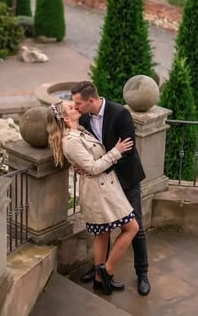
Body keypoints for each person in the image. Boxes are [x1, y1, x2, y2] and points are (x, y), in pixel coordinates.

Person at [47, 100, 139, 295]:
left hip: (104, 187)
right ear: (65, 118)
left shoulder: (80, 128)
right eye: (72, 108)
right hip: (99, 191)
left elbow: (89, 162)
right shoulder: (70, 140)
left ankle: (99, 279)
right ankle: (107, 270)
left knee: (103, 233)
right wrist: (117, 151)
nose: (76, 108)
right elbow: (93, 168)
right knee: (132, 228)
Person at [71, 80, 151, 296]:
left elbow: (127, 150)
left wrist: (98, 169)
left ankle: (142, 273)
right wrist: (81, 165)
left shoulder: (120, 113)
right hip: (103, 183)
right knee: (104, 226)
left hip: (126, 178)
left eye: (78, 103)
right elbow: (87, 150)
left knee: (137, 227)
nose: (75, 107)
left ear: (91, 100)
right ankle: (100, 271)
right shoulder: (84, 118)